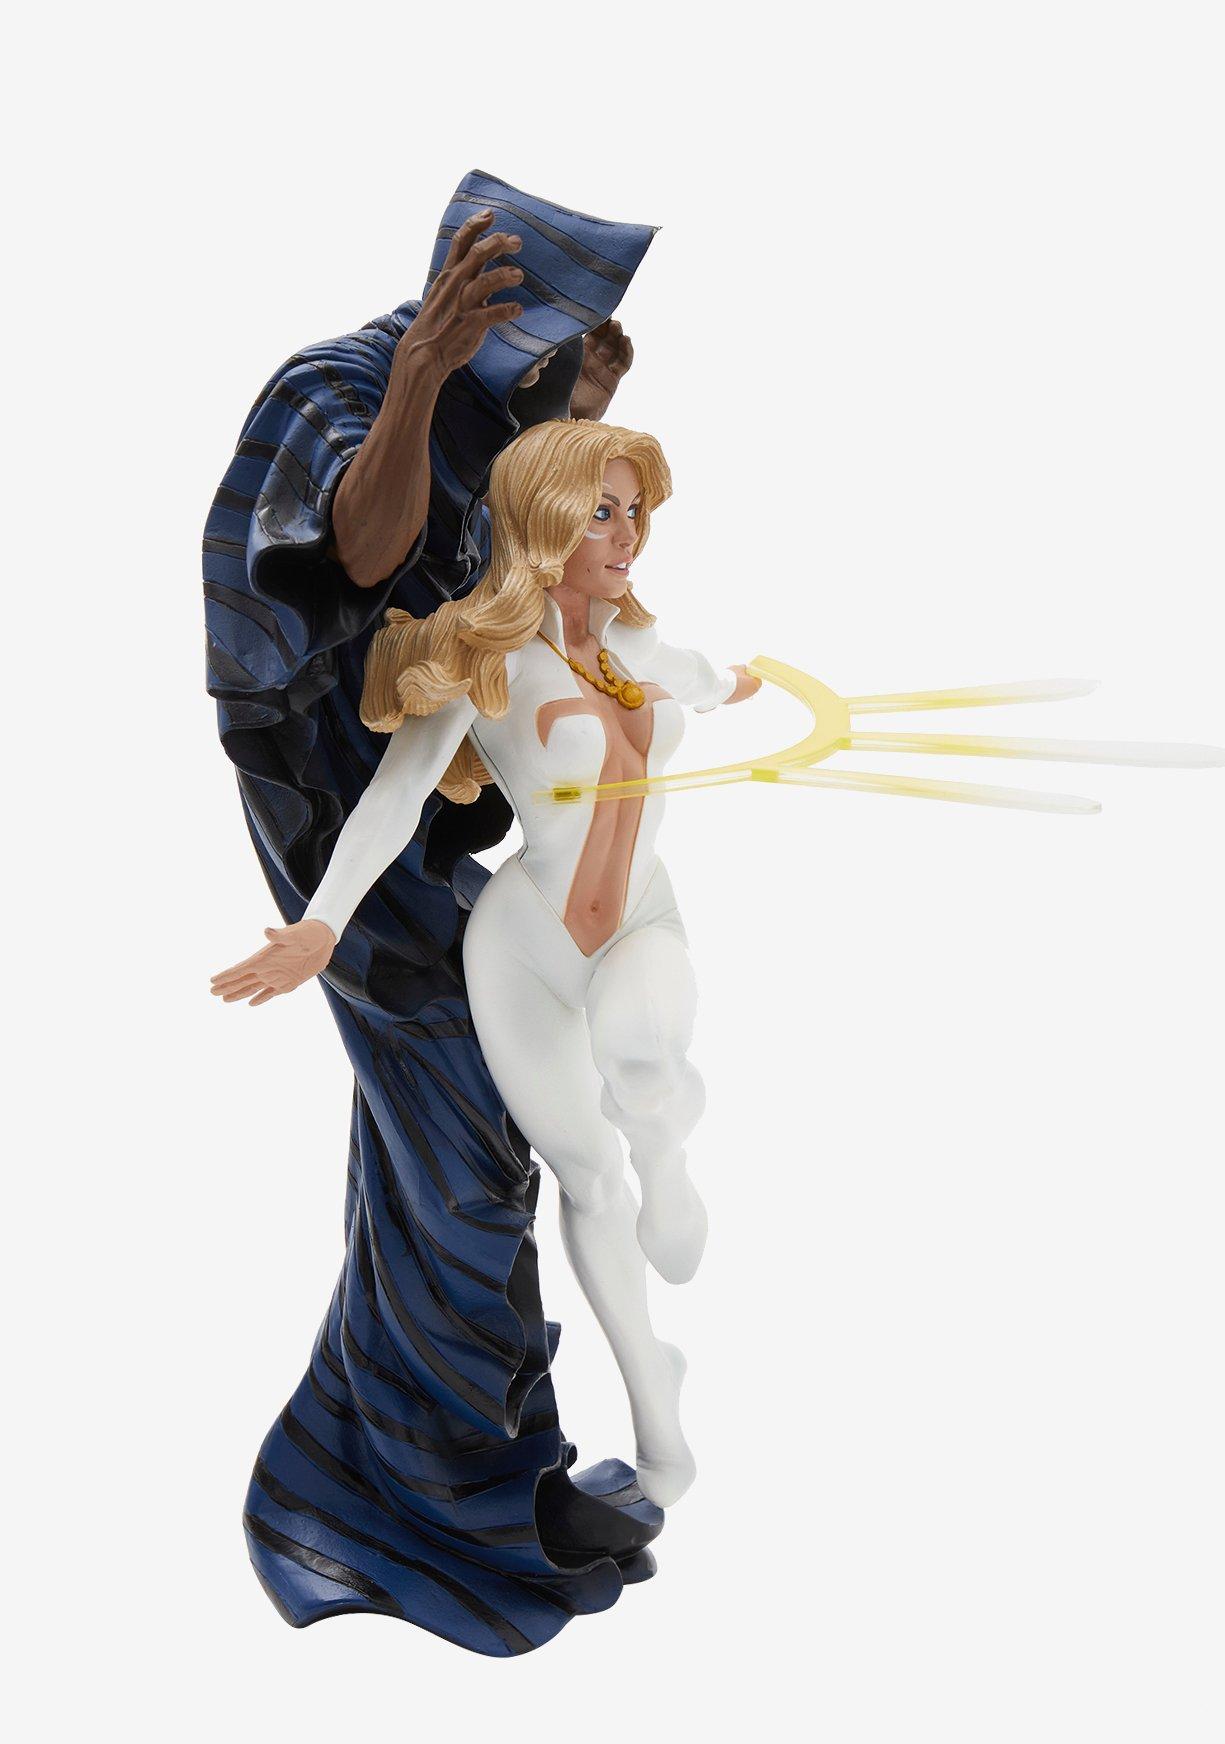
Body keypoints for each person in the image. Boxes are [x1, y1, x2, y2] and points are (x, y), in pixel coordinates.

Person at [206, 176, 676, 1657]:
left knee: (429, 1122)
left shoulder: (496, 421)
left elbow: (514, 592)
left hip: (406, 804)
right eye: (566, 342)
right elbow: (355, 551)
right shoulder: (344, 388)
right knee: (466, 1115)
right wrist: (418, 380)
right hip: (321, 792)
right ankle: (462, 1493)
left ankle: (355, 1472)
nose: (577, 372)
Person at [216, 417, 760, 1515]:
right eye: (601, 512)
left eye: (635, 512)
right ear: (544, 520)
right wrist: (322, 924)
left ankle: (668, 1157)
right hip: (522, 945)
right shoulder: (489, 661)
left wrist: (762, 687)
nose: (627, 535)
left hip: (638, 921)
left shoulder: (641, 647)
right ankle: (656, 1403)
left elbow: (712, 681)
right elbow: (395, 797)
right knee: (584, 1178)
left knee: (644, 1059)